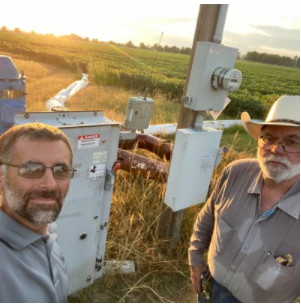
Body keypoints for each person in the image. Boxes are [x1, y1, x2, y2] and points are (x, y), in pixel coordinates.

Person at [189, 95, 300, 303]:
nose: (276, 150)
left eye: (291, 142)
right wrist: (195, 260)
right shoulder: (235, 173)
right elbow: (207, 218)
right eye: (268, 138)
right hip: (210, 289)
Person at [0, 122, 76, 302]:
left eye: (61, 170)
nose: (50, 185)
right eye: (31, 169)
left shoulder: (47, 236)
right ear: (1, 179)